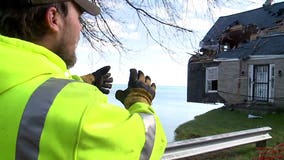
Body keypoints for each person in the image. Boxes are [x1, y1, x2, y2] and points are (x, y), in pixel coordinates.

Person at [0, 0, 167, 160]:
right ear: (53, 18)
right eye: (79, 18)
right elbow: (147, 144)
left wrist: (81, 81)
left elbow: (29, 94)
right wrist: (140, 99)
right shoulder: (82, 112)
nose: (81, 27)